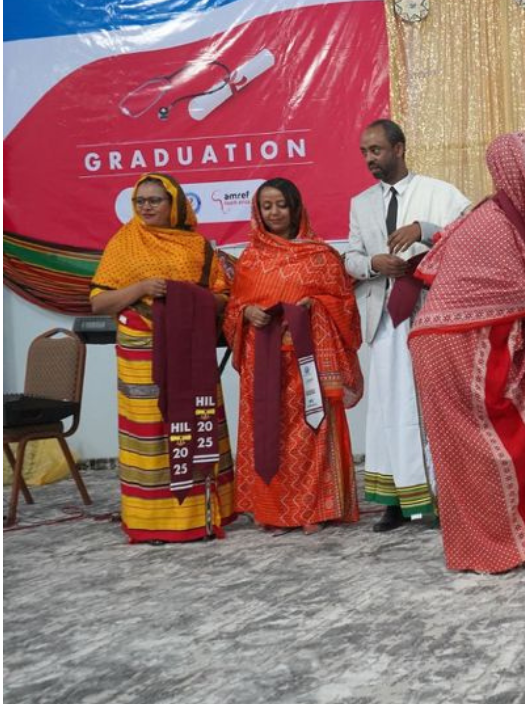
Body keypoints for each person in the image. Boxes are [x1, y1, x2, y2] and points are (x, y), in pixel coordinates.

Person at [407, 130, 525, 573]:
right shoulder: (498, 223)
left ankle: (487, 543)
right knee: (490, 445)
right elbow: (515, 293)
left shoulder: (491, 214)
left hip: (450, 340)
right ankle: (497, 546)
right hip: (458, 343)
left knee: (477, 446)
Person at [89, 172, 236, 543]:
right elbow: (99, 302)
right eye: (140, 201)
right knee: (152, 431)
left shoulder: (197, 247)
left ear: (175, 204)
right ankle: (152, 520)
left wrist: (189, 297)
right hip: (141, 354)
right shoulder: (123, 243)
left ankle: (202, 515)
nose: (146, 207)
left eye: (155, 200)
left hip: (191, 351)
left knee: (196, 421)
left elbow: (222, 298)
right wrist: (142, 287)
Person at [344, 119, 470, 532]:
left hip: (432, 315)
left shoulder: (439, 193)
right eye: (364, 152)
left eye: (376, 150)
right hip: (384, 320)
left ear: (399, 148)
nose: (369, 159)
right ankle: (397, 501)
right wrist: (373, 263)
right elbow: (350, 258)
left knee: (434, 404)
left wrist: (424, 231)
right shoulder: (361, 203)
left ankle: (441, 497)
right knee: (389, 409)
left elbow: (469, 237)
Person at [224, 179, 363, 534]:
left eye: (281, 205)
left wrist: (314, 305)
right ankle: (271, 509)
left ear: (296, 207)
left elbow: (345, 305)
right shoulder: (251, 258)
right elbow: (233, 308)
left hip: (308, 359)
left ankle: (314, 508)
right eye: (266, 206)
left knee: (312, 429)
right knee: (268, 430)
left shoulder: (320, 256)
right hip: (262, 362)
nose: (274, 213)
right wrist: (247, 312)